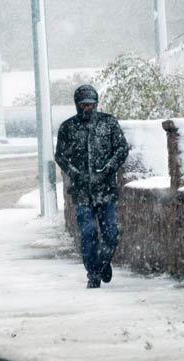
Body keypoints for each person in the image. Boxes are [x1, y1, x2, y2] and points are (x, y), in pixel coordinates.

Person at [55, 84, 129, 289]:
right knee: (88, 234)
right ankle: (93, 273)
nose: (87, 108)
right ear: (77, 105)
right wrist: (76, 174)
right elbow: (60, 156)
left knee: (111, 233)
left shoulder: (109, 123)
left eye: (90, 104)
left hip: (106, 190)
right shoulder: (68, 127)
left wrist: (108, 169)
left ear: (96, 104)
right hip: (82, 192)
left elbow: (122, 149)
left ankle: (103, 263)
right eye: (83, 105)